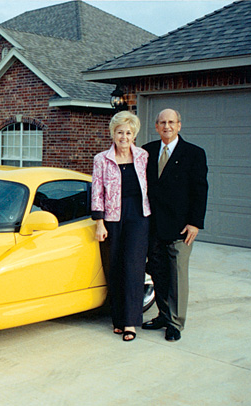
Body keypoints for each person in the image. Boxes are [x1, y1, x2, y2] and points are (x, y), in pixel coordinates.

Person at [142, 108, 208, 342]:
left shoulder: (194, 153)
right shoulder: (147, 151)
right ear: (157, 126)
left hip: (181, 228)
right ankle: (162, 314)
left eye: (171, 122)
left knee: (177, 277)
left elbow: (200, 190)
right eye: (162, 122)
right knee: (158, 273)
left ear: (179, 125)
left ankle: (175, 323)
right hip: (154, 226)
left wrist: (195, 223)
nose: (167, 126)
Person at [91, 111, 151, 342]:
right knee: (115, 267)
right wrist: (99, 222)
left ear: (134, 135)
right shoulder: (101, 159)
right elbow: (97, 191)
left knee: (134, 267)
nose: (124, 137)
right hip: (112, 217)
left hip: (138, 215)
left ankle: (131, 322)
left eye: (128, 132)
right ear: (113, 134)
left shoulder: (143, 156)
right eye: (120, 132)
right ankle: (118, 319)